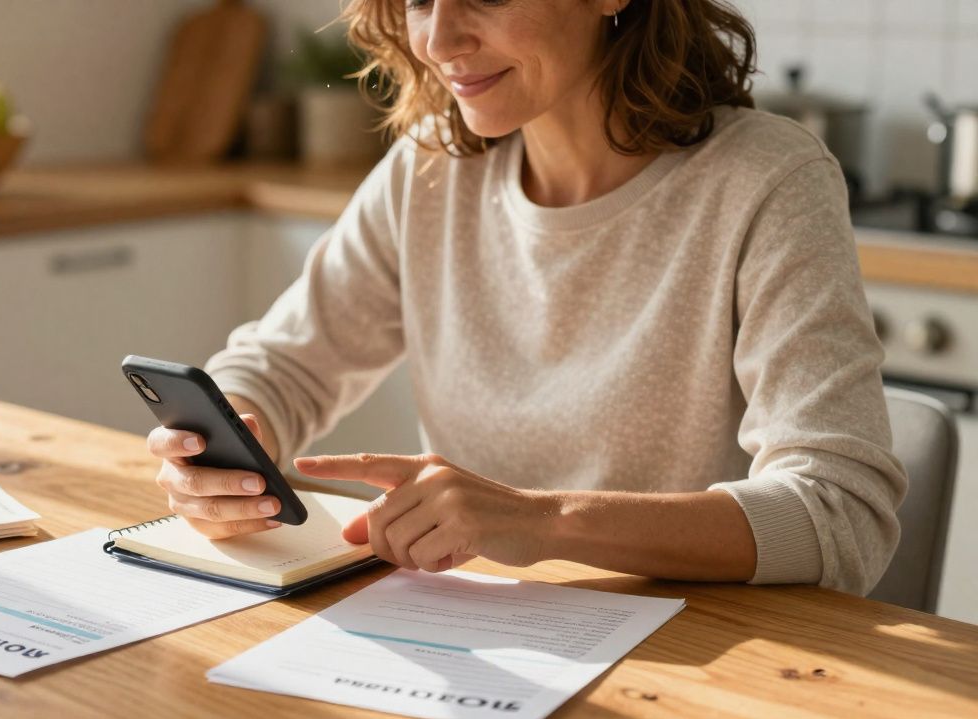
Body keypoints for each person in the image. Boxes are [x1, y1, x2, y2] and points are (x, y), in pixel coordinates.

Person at [146, 0, 906, 595]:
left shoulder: (768, 181)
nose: (439, 40)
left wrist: (543, 520)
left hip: (698, 656)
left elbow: (838, 513)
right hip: (476, 636)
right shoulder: (430, 168)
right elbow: (281, 367)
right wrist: (223, 445)